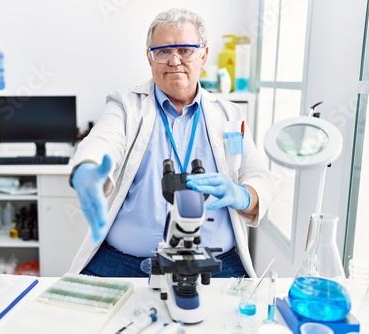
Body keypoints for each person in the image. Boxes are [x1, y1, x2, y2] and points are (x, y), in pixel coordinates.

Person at [69, 8, 277, 278]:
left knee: (234, 320)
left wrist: (244, 194)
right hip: (125, 263)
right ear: (149, 57)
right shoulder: (126, 105)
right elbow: (103, 139)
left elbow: (260, 175)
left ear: (203, 55)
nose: (174, 60)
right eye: (163, 51)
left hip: (214, 263)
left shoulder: (229, 114)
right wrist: (89, 168)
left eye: (186, 50)